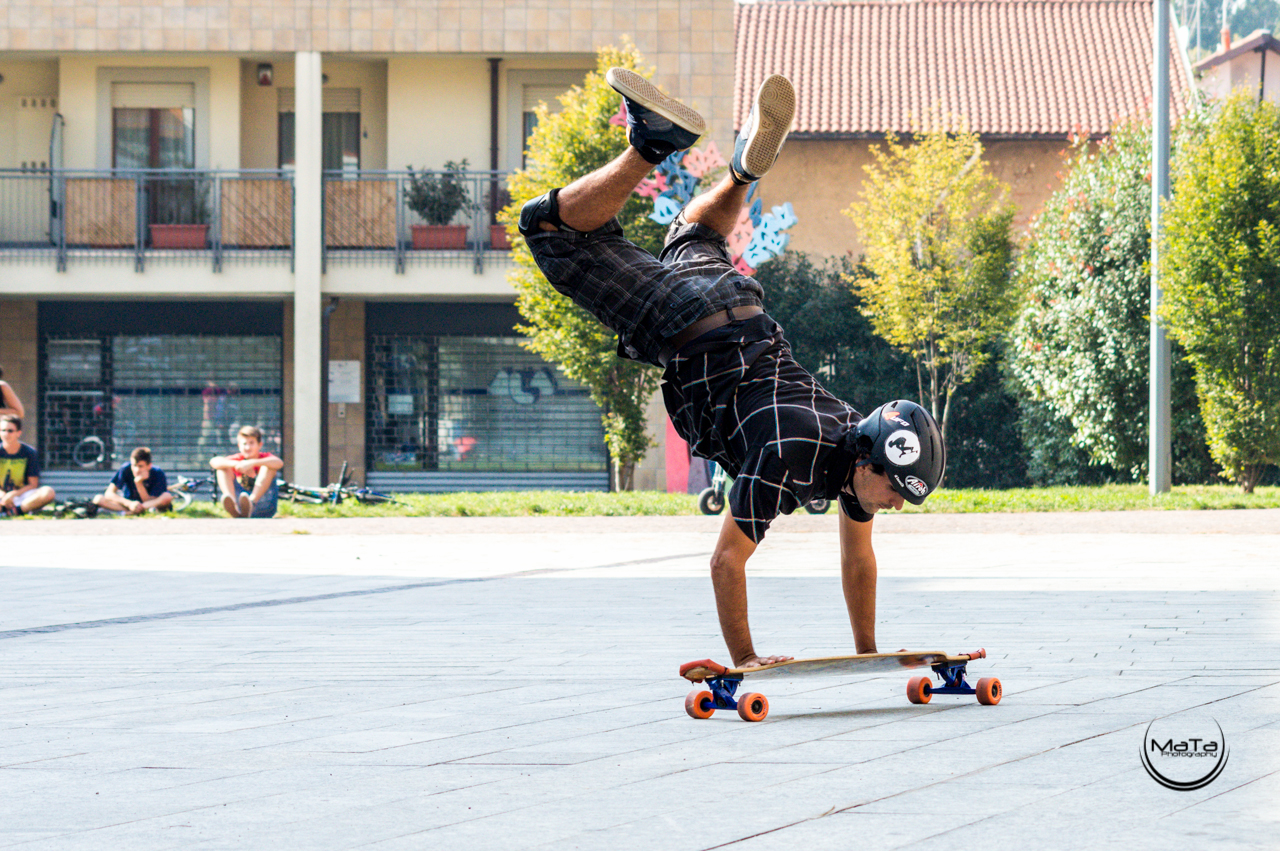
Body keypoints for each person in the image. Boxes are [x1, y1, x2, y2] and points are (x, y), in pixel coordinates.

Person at [518, 69, 946, 669]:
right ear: (868, 461)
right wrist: (745, 660)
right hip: (688, 324)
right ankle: (650, 143)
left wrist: (868, 656)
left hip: (735, 299)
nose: (896, 506)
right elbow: (726, 561)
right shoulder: (790, 453)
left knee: (691, 233)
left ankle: (742, 174)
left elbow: (857, 559)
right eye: (897, 491)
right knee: (548, 227)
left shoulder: (856, 439)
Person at [210, 425, 283, 518]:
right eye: (244, 444)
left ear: (260, 445)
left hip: (265, 506)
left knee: (269, 466)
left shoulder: (265, 457)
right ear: (239, 446)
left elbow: (279, 463)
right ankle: (233, 506)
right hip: (240, 506)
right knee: (222, 468)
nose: (247, 447)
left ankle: (251, 503)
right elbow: (214, 461)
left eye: (251, 443)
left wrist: (252, 463)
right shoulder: (237, 459)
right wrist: (237, 464)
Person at [0, 414, 56, 516]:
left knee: (48, 492)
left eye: (10, 431)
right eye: (2, 430)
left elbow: (33, 484)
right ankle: (5, 509)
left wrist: (13, 494)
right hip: (1, 496)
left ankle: (16, 511)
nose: (6, 434)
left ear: (18, 433)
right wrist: (3, 495)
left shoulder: (29, 452)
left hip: (22, 496)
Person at [92, 446, 174, 515]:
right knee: (98, 499)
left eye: (140, 466)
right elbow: (109, 493)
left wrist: (139, 483)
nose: (136, 470)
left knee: (167, 496)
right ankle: (132, 511)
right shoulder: (125, 468)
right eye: (134, 465)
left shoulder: (157, 473)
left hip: (148, 505)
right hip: (128, 505)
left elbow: (149, 501)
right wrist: (129, 504)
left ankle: (134, 511)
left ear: (149, 466)